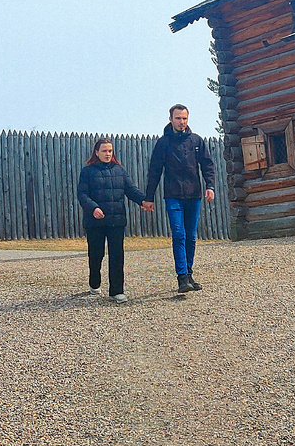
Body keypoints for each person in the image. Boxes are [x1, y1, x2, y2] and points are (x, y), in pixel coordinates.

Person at [143, 104, 216, 294]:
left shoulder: (197, 141)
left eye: (184, 118)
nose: (181, 122)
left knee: (191, 236)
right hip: (173, 196)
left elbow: (207, 165)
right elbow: (154, 171)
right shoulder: (163, 143)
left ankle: (189, 274)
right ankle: (182, 277)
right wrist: (149, 197)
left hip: (194, 195)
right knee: (179, 234)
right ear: (170, 119)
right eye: (178, 118)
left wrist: (210, 186)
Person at [77, 137, 146, 302]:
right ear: (96, 152)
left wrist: (143, 200)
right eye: (104, 151)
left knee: (117, 255)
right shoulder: (87, 171)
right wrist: (93, 208)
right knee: (96, 254)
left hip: (116, 220)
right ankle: (94, 282)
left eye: (110, 151)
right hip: (95, 222)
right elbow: (82, 194)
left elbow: (130, 189)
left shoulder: (119, 170)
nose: (108, 154)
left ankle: (117, 291)